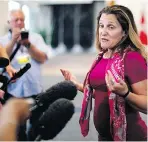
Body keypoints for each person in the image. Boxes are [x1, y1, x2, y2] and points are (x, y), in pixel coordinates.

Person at [60, 5, 147, 141]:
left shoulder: (131, 58)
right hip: (104, 137)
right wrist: (77, 85)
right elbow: (103, 94)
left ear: (124, 32)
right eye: (101, 26)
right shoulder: (102, 56)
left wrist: (125, 93)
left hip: (130, 137)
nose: (103, 32)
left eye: (110, 27)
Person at [0, 9, 51, 99]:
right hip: (11, 91)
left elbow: (42, 58)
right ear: (9, 22)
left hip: (34, 90)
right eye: (16, 20)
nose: (19, 22)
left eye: (22, 19)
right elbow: (2, 59)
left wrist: (28, 44)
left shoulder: (36, 38)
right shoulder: (2, 41)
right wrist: (13, 40)